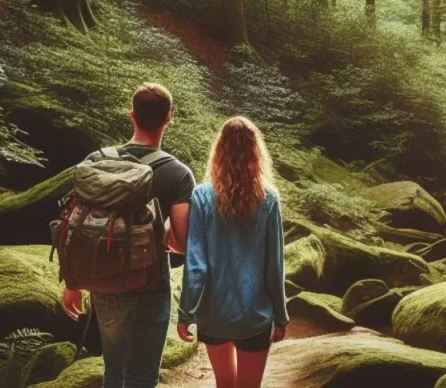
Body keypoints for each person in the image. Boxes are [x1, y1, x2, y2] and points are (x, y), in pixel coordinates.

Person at [61, 83, 195, 388]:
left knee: (113, 373)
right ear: (169, 118)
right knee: (141, 378)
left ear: (131, 115)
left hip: (102, 283)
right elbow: (182, 242)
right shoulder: (177, 173)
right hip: (150, 286)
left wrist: (73, 284)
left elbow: (75, 228)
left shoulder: (95, 162)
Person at [177, 116, 289, 388]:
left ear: (219, 151)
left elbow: (195, 265)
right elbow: (274, 265)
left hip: (214, 315)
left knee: (225, 383)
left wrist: (186, 312)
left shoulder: (202, 197)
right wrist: (281, 315)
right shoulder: (269, 198)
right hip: (254, 316)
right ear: (255, 152)